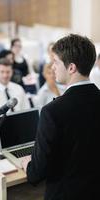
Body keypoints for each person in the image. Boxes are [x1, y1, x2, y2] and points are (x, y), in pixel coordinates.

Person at [21, 34, 100, 200]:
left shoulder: (52, 112)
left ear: (71, 68)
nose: (53, 67)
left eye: (55, 62)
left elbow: (36, 174)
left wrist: (27, 163)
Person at [0, 58, 30, 132]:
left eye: (8, 72)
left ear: (12, 71)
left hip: (22, 130)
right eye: (2, 72)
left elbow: (27, 111)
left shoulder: (19, 89)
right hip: (1, 134)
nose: (5, 75)